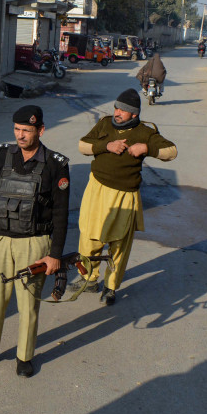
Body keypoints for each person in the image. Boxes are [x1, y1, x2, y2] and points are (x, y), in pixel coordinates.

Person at [0, 105, 70, 378]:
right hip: (2, 240)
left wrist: (55, 254)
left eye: (27, 131)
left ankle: (25, 356)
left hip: (34, 243)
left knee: (28, 304)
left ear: (40, 130)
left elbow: (60, 213)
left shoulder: (56, 165)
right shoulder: (2, 157)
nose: (21, 136)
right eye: (17, 130)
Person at [71, 89, 177, 305]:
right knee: (89, 236)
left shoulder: (145, 132)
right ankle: (89, 279)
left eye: (123, 110)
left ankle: (110, 287)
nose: (117, 112)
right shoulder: (104, 123)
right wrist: (105, 146)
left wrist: (146, 148)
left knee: (119, 244)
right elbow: (82, 145)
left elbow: (171, 151)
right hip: (97, 188)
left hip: (125, 194)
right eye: (116, 107)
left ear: (134, 114)